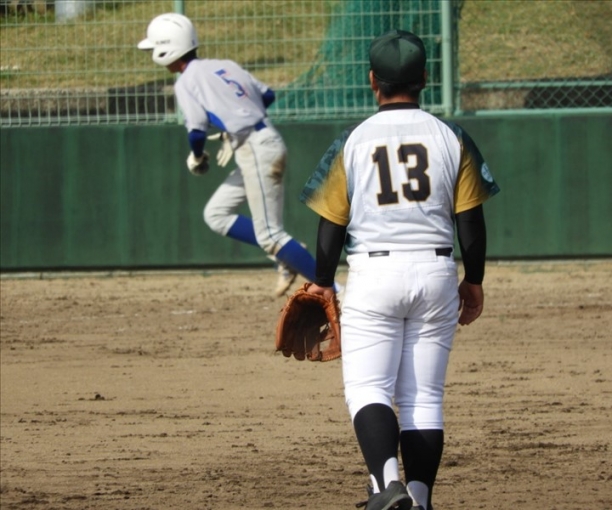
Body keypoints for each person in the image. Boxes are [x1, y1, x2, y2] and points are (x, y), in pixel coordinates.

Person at [300, 30, 500, 510]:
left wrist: (323, 282)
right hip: (435, 271)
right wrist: (473, 280)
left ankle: (388, 483)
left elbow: (331, 227)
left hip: (373, 274)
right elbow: (470, 223)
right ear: (425, 78)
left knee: (369, 388)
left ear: (373, 80)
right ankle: (420, 498)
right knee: (423, 398)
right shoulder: (451, 136)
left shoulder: (353, 140)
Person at [137, 12, 334, 297]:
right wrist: (235, 124)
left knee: (270, 234)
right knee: (216, 214)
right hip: (261, 141)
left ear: (167, 49)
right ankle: (287, 254)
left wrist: (197, 156)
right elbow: (267, 95)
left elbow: (196, 131)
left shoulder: (185, 82)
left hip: (256, 148)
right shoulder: (224, 65)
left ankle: (336, 291)